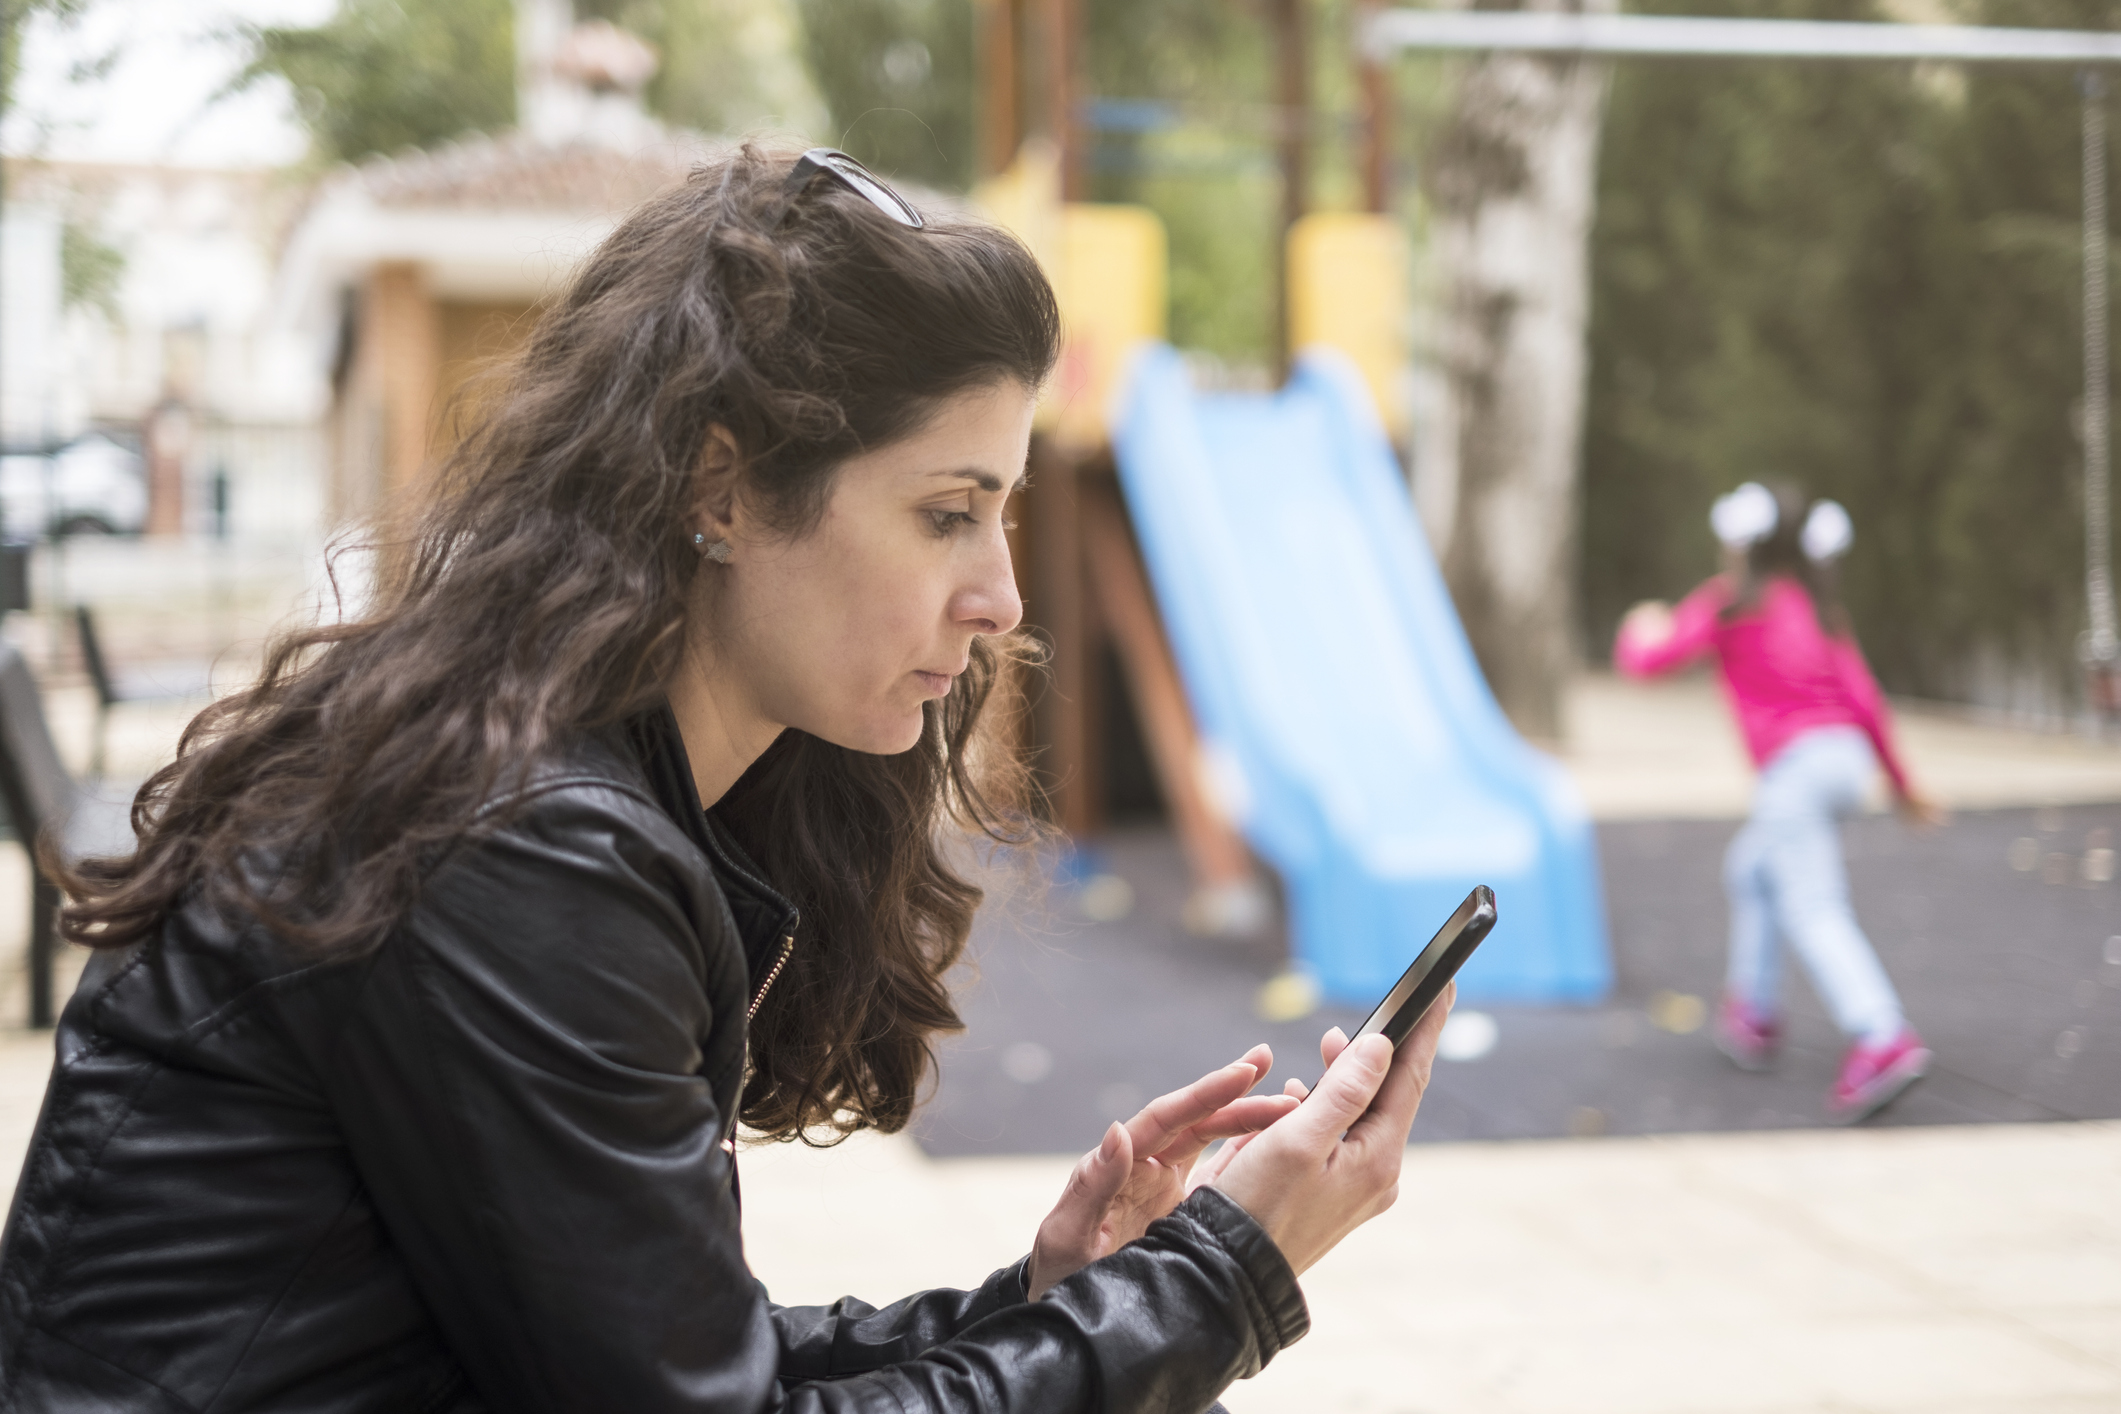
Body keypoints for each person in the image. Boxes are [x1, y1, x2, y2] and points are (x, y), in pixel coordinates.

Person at [0, 146, 1453, 1412]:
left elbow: (660, 1349)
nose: (1001, 596)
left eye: (998, 515)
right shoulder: (513, 851)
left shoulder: (549, 786)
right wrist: (1226, 1272)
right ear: (723, 488)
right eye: (946, 513)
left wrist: (1051, 1295)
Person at [1613, 481, 1944, 1124]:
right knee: (1754, 869)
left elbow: (1652, 662)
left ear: (1740, 547)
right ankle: (1754, 1013)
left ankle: (1882, 1036)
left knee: (1813, 903)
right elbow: (1866, 700)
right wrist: (1903, 785)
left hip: (1795, 771)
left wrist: (1637, 630)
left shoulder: (1731, 603)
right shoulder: (1817, 607)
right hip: (1845, 762)